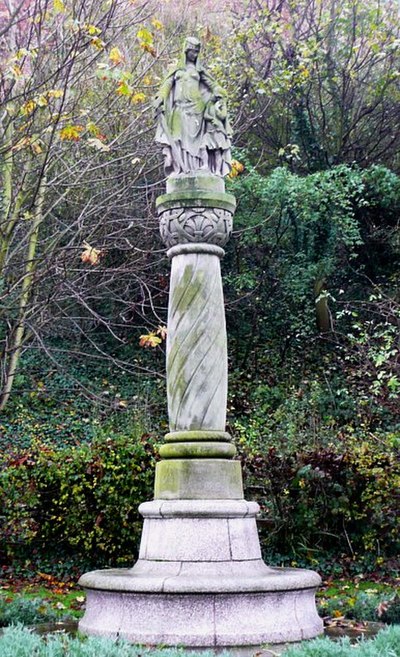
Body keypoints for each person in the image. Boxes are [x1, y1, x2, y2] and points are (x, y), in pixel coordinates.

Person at [154, 36, 232, 177]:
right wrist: (160, 97)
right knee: (177, 139)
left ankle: (200, 169)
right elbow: (167, 85)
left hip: (197, 109)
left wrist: (219, 94)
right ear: (186, 50)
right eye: (192, 51)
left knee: (198, 144)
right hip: (179, 108)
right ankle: (181, 171)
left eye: (197, 52)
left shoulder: (199, 70)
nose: (195, 54)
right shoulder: (176, 70)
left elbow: (214, 86)